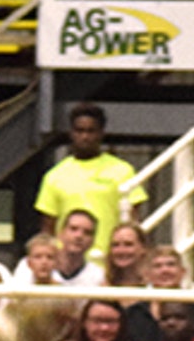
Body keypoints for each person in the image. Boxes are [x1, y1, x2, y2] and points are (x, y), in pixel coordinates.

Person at [35, 102, 145, 251]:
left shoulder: (122, 171)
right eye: (79, 131)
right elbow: (48, 228)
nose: (85, 137)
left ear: (101, 133)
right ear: (71, 133)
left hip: (110, 260)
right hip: (69, 264)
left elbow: (134, 220)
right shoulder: (54, 176)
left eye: (91, 131)